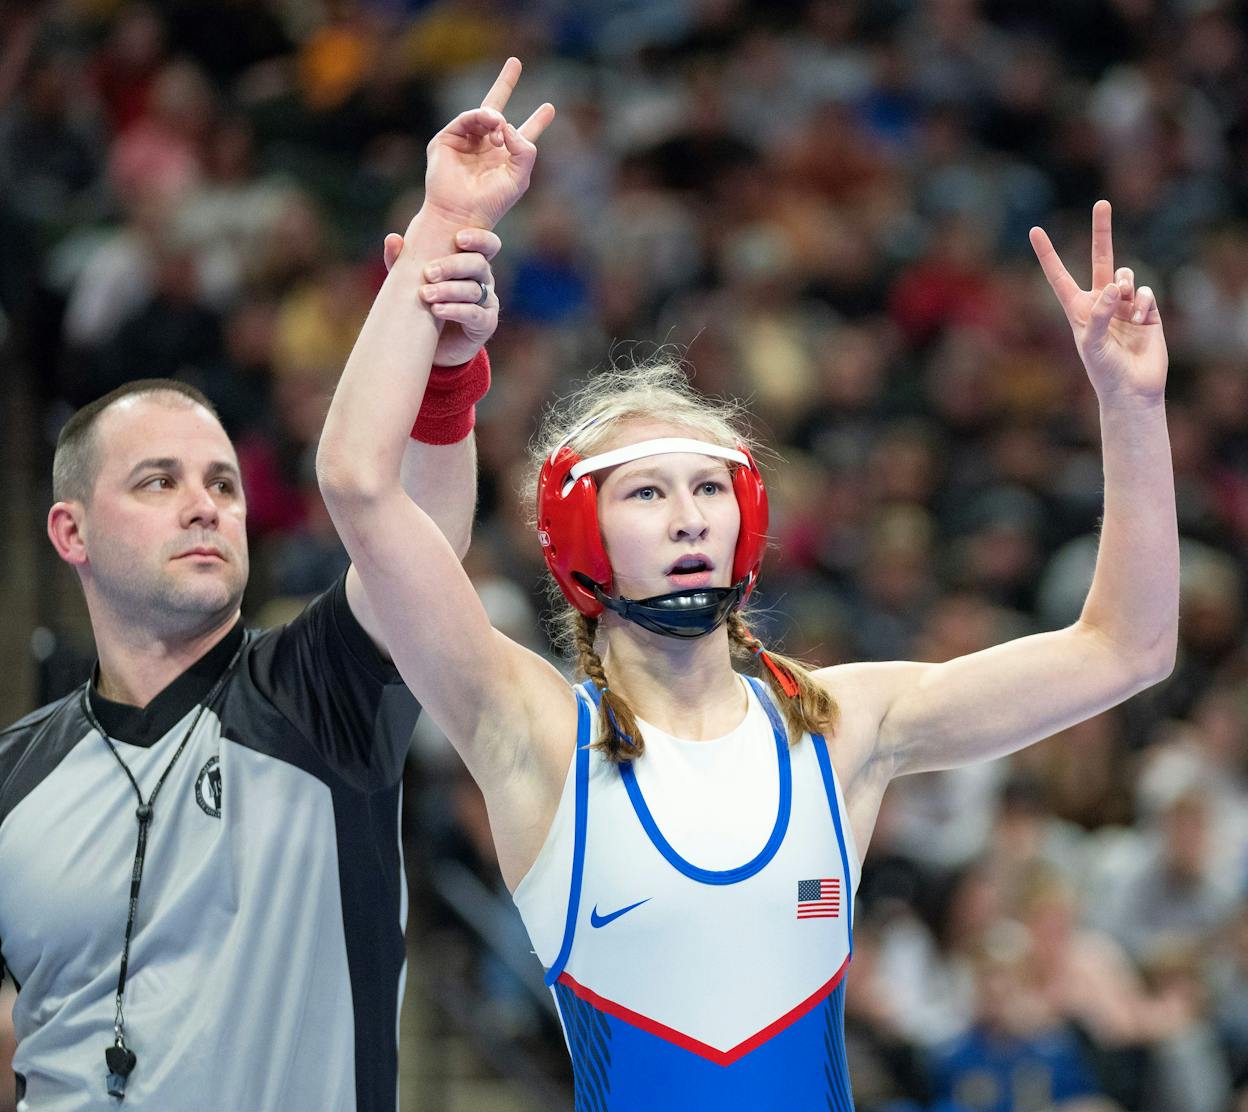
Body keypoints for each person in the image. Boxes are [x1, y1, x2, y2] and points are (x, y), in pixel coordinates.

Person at [316, 61, 1177, 1109]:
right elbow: (360, 486)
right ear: (575, 531)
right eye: (643, 492)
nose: (685, 513)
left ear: (748, 520)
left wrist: (1130, 411)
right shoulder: (528, 726)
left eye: (706, 488)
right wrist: (442, 234)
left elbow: (1126, 647)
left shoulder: (846, 723)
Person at [0, 65, 522, 1108]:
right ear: (69, 530)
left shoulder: (322, 694)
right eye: (157, 481)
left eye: (220, 481)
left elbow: (417, 545)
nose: (204, 502)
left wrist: (442, 364)